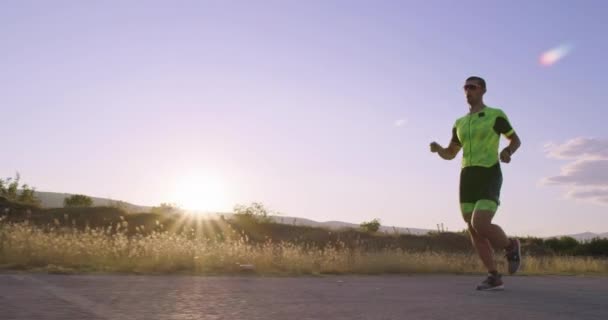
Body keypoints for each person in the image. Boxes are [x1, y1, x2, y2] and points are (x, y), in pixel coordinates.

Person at [430, 76, 522, 291]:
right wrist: (439, 150)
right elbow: (451, 153)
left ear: (483, 90)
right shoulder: (460, 123)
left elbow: (515, 139)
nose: (467, 91)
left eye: (472, 87)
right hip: (467, 177)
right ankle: (493, 275)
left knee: (480, 222)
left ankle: (511, 246)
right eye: (465, 87)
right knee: (472, 228)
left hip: (489, 172)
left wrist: (508, 151)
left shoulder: (495, 115)